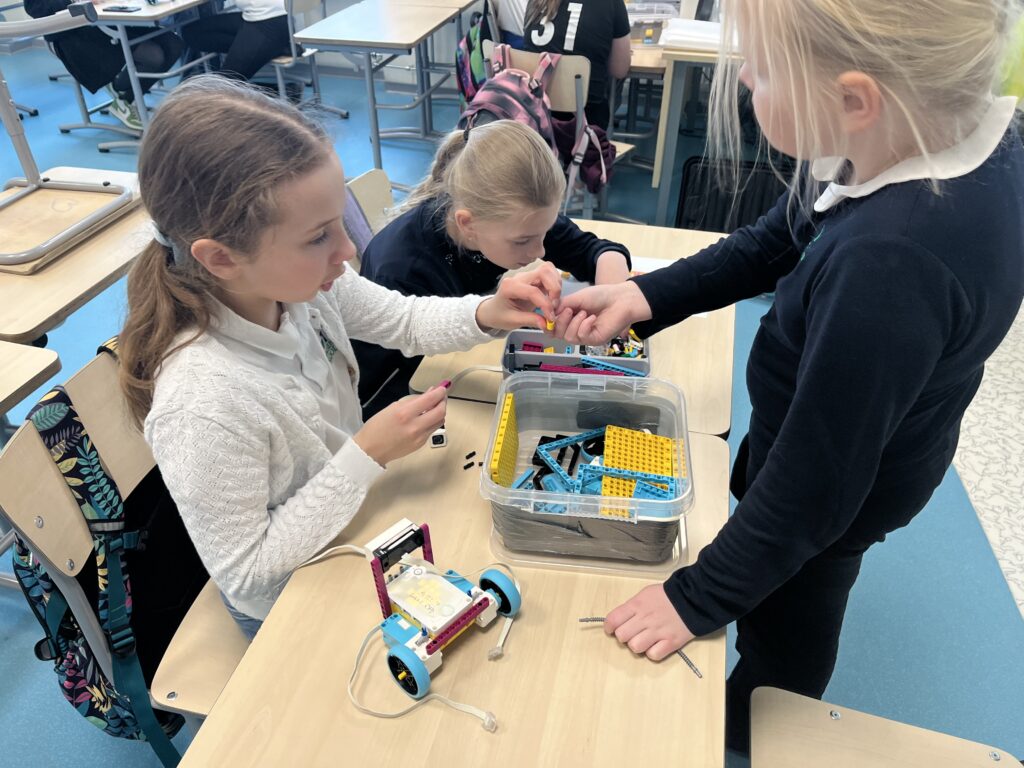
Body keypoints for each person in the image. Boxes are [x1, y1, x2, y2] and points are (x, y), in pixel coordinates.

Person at [551, 0, 1024, 753]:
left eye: (763, 69)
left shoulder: (890, 263)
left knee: (795, 606)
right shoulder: (931, 128)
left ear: (855, 99)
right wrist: (647, 296)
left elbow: (815, 488)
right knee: (788, 553)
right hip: (862, 434)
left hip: (847, 481)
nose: (745, 79)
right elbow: (781, 235)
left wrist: (698, 596)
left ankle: (760, 711)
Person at [117, 75, 562, 640]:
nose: (349, 249)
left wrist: (487, 311)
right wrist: (366, 453)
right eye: (318, 236)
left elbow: (401, 319)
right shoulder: (203, 400)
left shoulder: (302, 288)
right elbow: (247, 572)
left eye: (339, 222)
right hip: (288, 598)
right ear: (221, 258)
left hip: (354, 521)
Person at [352, 119, 632, 418]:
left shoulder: (519, 218)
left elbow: (600, 251)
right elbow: (406, 380)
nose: (540, 251)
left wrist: (612, 299)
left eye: (546, 231)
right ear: (467, 224)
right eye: (524, 241)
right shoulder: (404, 269)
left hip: (460, 366)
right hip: (398, 397)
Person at [25, 0, 183, 130]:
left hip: (112, 18)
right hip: (75, 34)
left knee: (173, 45)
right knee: (153, 56)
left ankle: (123, 97)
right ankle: (122, 94)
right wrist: (75, 1)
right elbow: (36, 8)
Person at [523, 0, 631, 129]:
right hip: (583, 122)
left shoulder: (535, 2)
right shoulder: (611, 3)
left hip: (532, 118)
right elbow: (619, 70)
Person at [180, 0, 292, 85]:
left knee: (224, 85)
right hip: (253, 17)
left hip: (269, 22)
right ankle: (271, 48)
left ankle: (268, 48)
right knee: (192, 33)